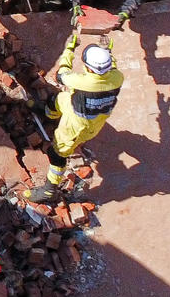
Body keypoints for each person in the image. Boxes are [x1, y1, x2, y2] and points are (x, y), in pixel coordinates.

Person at [33, 34, 122, 203]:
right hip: (95, 120)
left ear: (89, 68)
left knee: (57, 154)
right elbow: (113, 66)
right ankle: (48, 115)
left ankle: (49, 190)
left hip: (76, 126)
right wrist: (107, 50)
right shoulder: (117, 78)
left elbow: (61, 74)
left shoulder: (82, 82)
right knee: (58, 99)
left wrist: (69, 49)